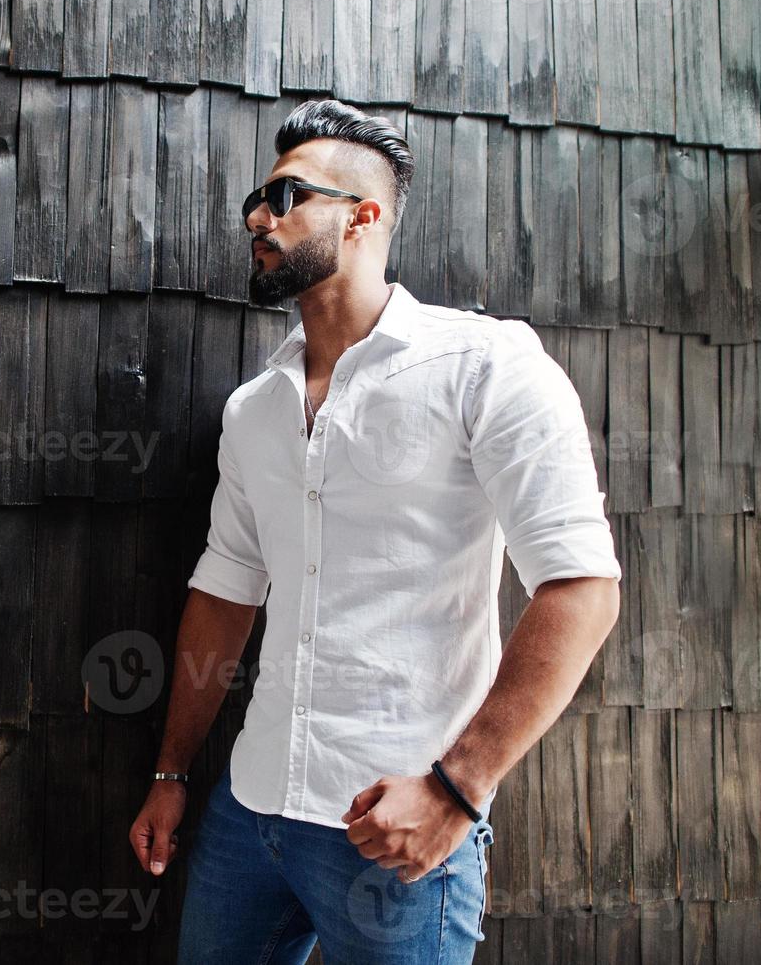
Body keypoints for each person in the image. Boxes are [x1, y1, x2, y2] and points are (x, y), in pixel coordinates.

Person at [128, 98, 622, 965]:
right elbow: (224, 590)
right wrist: (172, 773)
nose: (256, 214)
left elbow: (580, 587)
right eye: (257, 196)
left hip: (394, 832)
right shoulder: (254, 409)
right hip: (251, 813)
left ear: (364, 216)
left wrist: (457, 790)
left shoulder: (486, 367)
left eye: (284, 196)